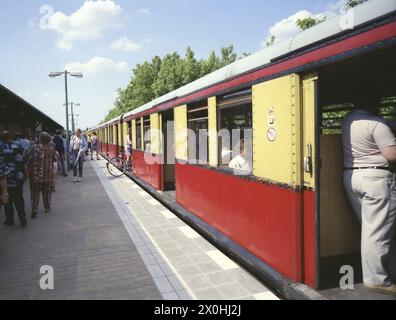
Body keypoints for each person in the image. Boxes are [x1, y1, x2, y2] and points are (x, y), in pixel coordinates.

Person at [342, 94, 396, 295]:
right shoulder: (378, 125)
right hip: (376, 179)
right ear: (377, 103)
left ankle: (379, 273)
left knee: (370, 230)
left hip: (352, 175)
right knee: (378, 233)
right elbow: (392, 155)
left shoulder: (348, 119)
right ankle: (377, 280)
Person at [27, 132, 59, 218]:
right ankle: (47, 207)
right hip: (47, 175)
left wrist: (27, 173)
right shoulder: (51, 149)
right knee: (47, 193)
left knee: (34, 193)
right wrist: (54, 175)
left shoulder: (33, 148)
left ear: (39, 139)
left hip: (35, 176)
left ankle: (34, 209)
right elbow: (55, 162)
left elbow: (28, 160)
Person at [0, 131, 28, 227]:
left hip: (5, 178)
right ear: (11, 137)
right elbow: (23, 161)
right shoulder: (18, 146)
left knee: (7, 199)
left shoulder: (1, 147)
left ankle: (10, 219)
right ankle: (21, 214)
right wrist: (26, 174)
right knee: (19, 197)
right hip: (18, 176)